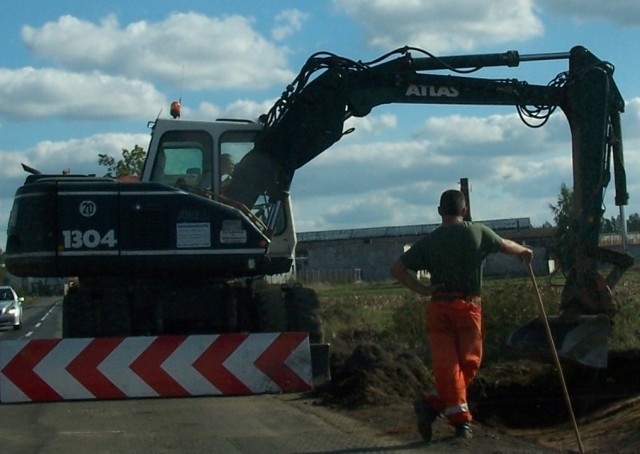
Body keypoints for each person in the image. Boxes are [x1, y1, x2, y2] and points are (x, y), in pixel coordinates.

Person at [389, 189, 533, 442]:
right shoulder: (476, 231)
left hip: (439, 308)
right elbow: (504, 245)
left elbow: (397, 269)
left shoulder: (430, 241)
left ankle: (433, 404)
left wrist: (423, 289)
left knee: (448, 368)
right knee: (468, 364)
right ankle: (460, 422)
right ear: (464, 211)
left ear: (439, 212)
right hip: (468, 309)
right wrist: (523, 251)